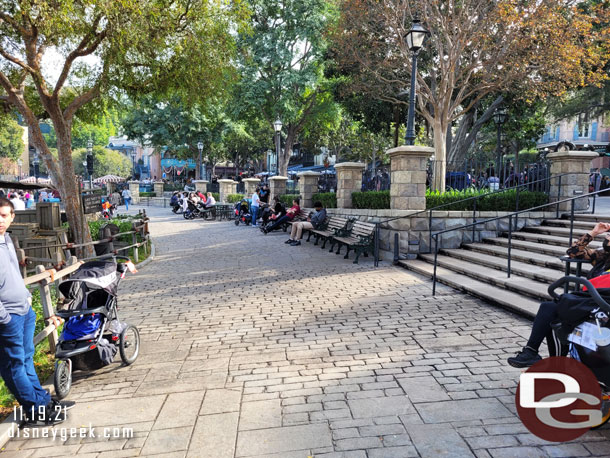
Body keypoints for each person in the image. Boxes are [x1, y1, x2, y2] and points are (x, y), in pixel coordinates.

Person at [0, 197, 71, 425]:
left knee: (27, 359)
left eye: (4, 215)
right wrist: (5, 318)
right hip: (8, 317)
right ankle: (36, 410)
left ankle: (41, 399)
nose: (0, 220)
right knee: (15, 365)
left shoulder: (8, 239)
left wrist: (28, 300)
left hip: (24, 311)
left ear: (12, 217)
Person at [507, 222, 610, 368]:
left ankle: (553, 362)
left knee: (557, 310)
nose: (607, 237)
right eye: (607, 234)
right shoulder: (603, 257)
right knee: (550, 309)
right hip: (590, 302)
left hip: (603, 306)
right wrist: (593, 233)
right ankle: (534, 353)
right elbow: (574, 252)